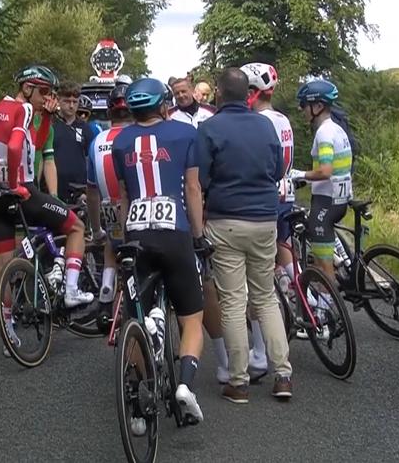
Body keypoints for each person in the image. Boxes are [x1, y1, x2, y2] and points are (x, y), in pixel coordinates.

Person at [112, 77, 207, 425]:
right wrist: (199, 237)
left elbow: (122, 197)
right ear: (164, 105)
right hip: (175, 232)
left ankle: (138, 408)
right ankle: (185, 385)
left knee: (135, 317)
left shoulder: (119, 142)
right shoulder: (185, 134)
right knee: (192, 319)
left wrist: (124, 238)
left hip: (136, 235)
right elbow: (193, 188)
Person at [197, 67, 293, 403]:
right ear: (248, 93)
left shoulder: (209, 128)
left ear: (220, 94)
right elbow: (279, 169)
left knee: (234, 301)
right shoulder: (266, 125)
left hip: (226, 221)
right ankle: (283, 375)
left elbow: (201, 179)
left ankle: (238, 382)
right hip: (265, 219)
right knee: (265, 297)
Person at [0, 65, 95, 354]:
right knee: (76, 227)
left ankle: (8, 334)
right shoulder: (24, 111)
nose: (49, 97)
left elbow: (32, 142)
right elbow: (16, 144)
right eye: (44, 91)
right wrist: (15, 183)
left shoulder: (2, 107)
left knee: (4, 268)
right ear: (27, 88)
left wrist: (46, 116)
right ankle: (71, 289)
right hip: (21, 192)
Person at [240, 61, 299, 358]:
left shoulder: (259, 122)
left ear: (252, 91)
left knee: (255, 282)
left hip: (266, 198)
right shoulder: (283, 119)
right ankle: (302, 290)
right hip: (287, 194)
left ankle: (262, 352)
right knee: (281, 247)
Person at [290, 80, 353, 284]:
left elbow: (325, 171)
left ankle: (324, 313)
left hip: (325, 203)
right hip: (339, 200)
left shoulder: (324, 133)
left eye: (304, 105)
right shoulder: (338, 129)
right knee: (326, 260)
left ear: (317, 107)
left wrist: (299, 175)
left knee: (323, 268)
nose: (301, 109)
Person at [86, 84, 133, 317]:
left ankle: (106, 289)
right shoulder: (139, 136)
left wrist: (95, 229)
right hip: (135, 207)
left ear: (109, 113)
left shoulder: (97, 141)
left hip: (109, 207)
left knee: (111, 246)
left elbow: (92, 192)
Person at [50, 81, 99, 203]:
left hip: (79, 190)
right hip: (53, 189)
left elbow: (92, 160)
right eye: (67, 101)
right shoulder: (50, 124)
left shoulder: (85, 128)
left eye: (75, 102)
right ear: (59, 100)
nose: (71, 106)